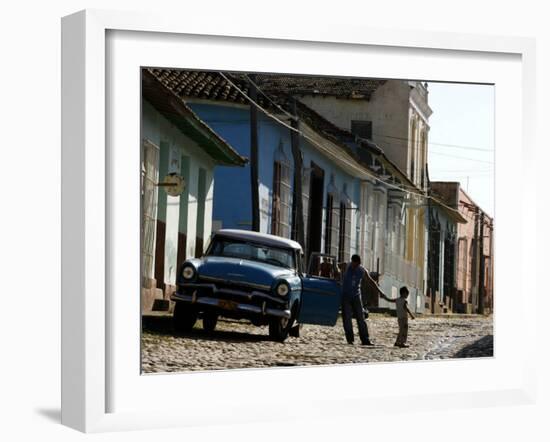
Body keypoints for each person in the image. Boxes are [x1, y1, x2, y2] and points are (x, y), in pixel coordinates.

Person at [341, 254, 381, 346]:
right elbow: (336, 266)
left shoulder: (362, 270)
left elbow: (371, 281)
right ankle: (350, 339)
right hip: (345, 296)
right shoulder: (346, 266)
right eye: (354, 264)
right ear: (352, 261)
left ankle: (365, 339)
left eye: (357, 265)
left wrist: (379, 292)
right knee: (347, 318)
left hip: (356, 296)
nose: (355, 266)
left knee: (361, 318)